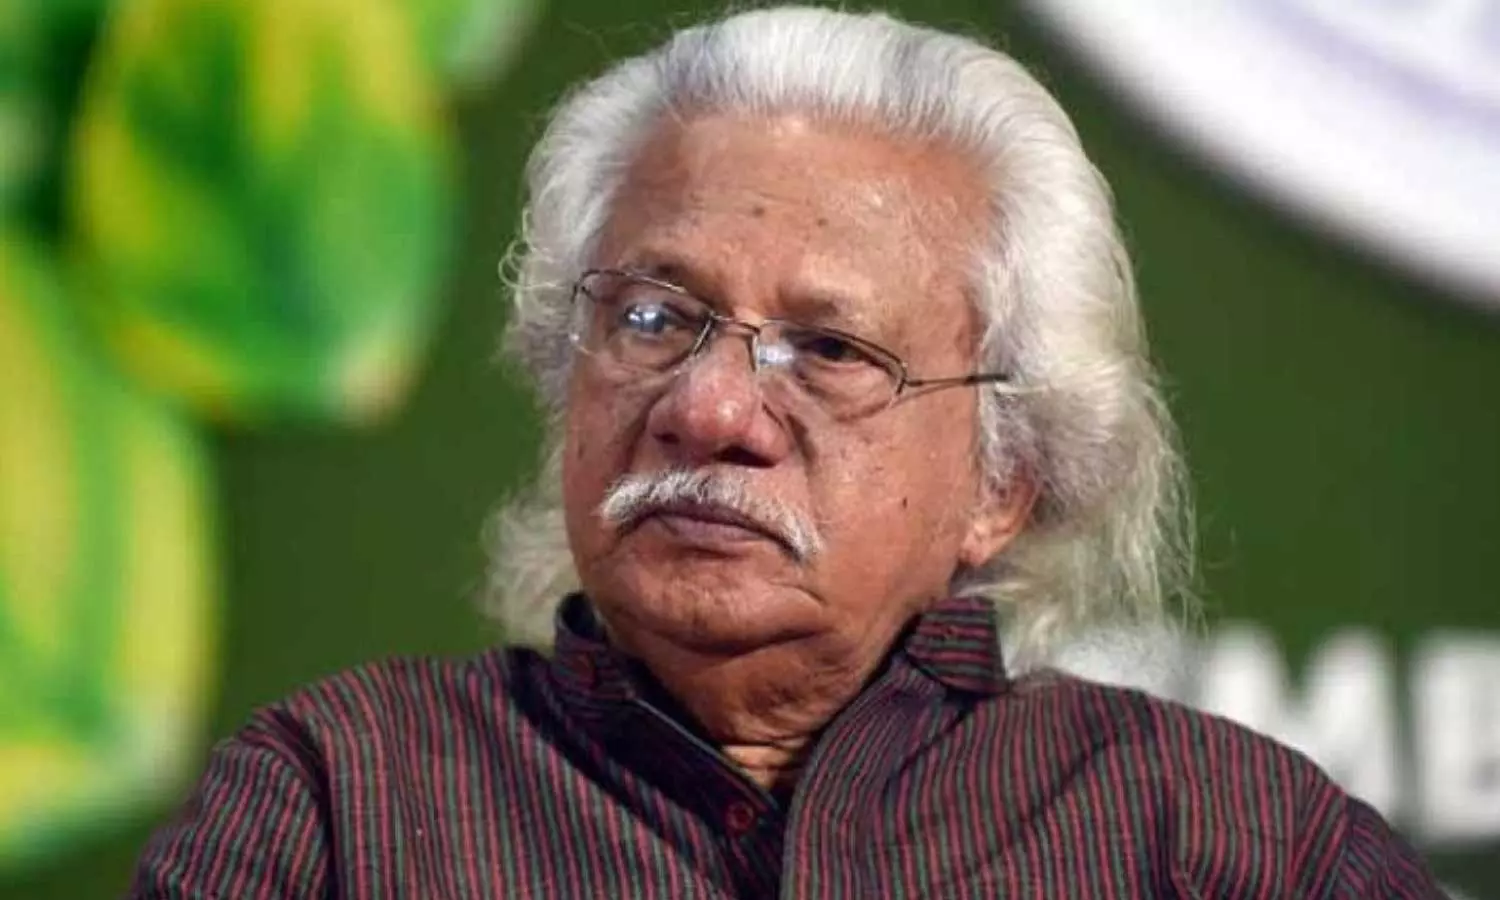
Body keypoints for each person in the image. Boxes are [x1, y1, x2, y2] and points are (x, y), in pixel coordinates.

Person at [129, 6, 1445, 898]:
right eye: (653, 318)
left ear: (1001, 481)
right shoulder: (344, 803)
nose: (711, 410)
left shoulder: (1213, 841)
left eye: (830, 350)